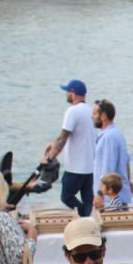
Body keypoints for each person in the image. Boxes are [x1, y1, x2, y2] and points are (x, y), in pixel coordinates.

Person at [43, 79, 96, 216]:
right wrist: (53, 143)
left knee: (66, 196)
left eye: (67, 91)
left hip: (75, 167)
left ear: (73, 93)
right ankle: (88, 221)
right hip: (89, 166)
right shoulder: (90, 110)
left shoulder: (72, 111)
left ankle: (84, 216)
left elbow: (64, 137)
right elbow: (70, 134)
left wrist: (49, 158)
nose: (65, 94)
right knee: (88, 199)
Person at [91, 98, 133, 210]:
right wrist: (128, 182)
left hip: (110, 199)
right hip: (118, 196)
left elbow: (107, 170)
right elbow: (126, 162)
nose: (92, 117)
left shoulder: (108, 137)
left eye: (95, 113)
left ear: (104, 116)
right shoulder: (116, 133)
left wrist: (100, 194)